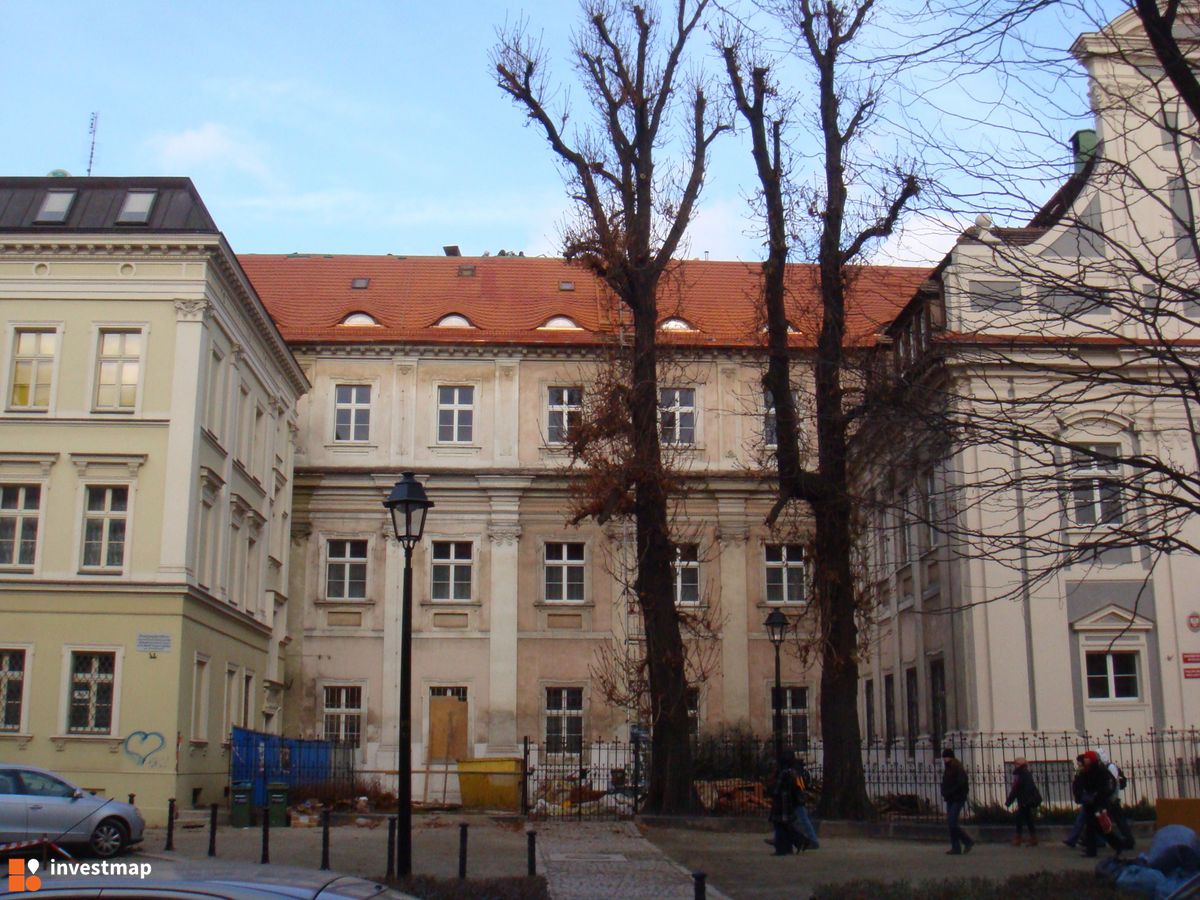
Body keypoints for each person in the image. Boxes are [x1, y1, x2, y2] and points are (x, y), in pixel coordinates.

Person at [1078, 750, 1123, 858]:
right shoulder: (1086, 771)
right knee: (1092, 828)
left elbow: (1106, 786)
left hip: (1098, 803)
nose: (1085, 759)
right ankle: (1092, 850)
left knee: (1100, 827)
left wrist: (1097, 795)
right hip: (1091, 803)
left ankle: (1117, 844)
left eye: (1087, 758)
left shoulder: (1100, 770)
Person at [767, 750, 813, 855]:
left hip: (781, 802)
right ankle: (794, 844)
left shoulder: (783, 773)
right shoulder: (791, 772)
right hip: (788, 801)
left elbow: (776, 789)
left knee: (781, 825)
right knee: (785, 825)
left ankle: (788, 846)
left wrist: (771, 789)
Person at [1097, 747, 1135, 851]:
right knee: (1107, 819)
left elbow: (1113, 784)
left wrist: (1112, 796)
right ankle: (1103, 840)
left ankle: (1128, 840)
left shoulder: (1110, 767)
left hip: (1112, 798)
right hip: (1110, 798)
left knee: (1118, 820)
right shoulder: (1107, 767)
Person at [941, 748, 974, 855]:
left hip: (957, 798)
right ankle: (956, 847)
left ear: (950, 757)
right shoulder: (948, 768)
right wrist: (944, 791)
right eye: (944, 757)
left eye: (946, 757)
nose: (945, 759)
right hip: (950, 797)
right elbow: (945, 782)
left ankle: (967, 841)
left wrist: (950, 791)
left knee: (952, 823)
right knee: (951, 823)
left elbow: (961, 783)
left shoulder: (958, 768)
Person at [1005, 756, 1042, 846]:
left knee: (1020, 819)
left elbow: (1016, 789)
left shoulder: (1022, 774)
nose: (1015, 766)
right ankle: (1032, 838)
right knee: (1028, 819)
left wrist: (1009, 801)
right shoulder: (1025, 773)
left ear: (1020, 765)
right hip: (1026, 800)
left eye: (1016, 764)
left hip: (1024, 800)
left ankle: (1019, 838)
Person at [1064, 754, 1087, 848]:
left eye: (1079, 761)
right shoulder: (1080, 772)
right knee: (1090, 820)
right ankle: (1098, 840)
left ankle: (1072, 839)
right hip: (1084, 797)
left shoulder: (1083, 772)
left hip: (1086, 798)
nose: (1077, 763)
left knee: (1081, 820)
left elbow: (1080, 785)